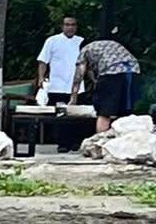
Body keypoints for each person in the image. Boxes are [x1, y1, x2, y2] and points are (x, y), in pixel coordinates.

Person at [76, 27, 143, 132]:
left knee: (105, 113)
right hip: (133, 71)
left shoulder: (85, 49)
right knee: (126, 112)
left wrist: (73, 97)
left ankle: (100, 142)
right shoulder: (111, 44)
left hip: (111, 72)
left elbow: (80, 74)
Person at [36, 15, 85, 151]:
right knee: (60, 116)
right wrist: (41, 78)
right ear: (62, 26)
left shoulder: (81, 42)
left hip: (77, 86)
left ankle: (75, 142)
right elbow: (43, 61)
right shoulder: (52, 41)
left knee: (76, 116)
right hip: (57, 85)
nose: (70, 27)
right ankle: (62, 143)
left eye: (73, 25)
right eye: (67, 24)